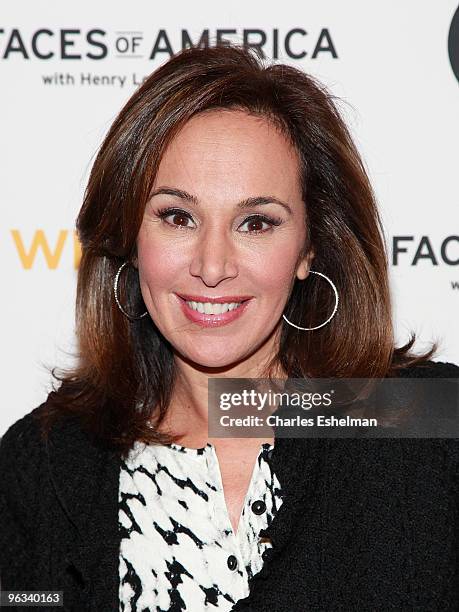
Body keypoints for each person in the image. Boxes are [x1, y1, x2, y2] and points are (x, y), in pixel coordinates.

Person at [1, 41, 458, 611]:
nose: (212, 266)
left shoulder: (430, 426)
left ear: (309, 247)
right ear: (129, 238)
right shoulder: (44, 464)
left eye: (256, 223)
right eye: (178, 216)